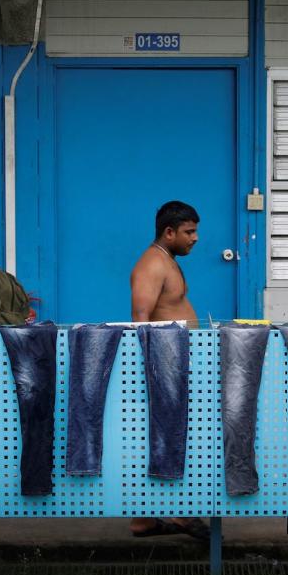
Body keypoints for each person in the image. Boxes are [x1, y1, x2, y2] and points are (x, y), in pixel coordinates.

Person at [128, 200, 208, 540]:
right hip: (163, 363)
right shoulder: (151, 264)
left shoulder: (167, 260)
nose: (195, 238)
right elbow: (141, 318)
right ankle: (177, 515)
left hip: (176, 360)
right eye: (189, 232)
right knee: (167, 438)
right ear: (169, 231)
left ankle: (148, 520)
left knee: (174, 437)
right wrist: (151, 369)